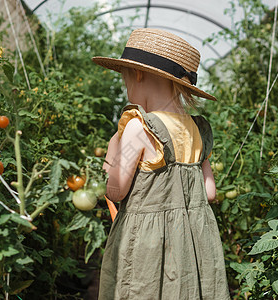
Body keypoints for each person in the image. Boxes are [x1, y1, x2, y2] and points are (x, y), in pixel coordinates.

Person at [92, 28, 230, 299]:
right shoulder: (198, 129)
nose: (126, 87)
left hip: (148, 246)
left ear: (139, 74)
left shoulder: (138, 127)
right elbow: (209, 192)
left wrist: (111, 154)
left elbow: (116, 191)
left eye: (125, 79)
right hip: (193, 243)